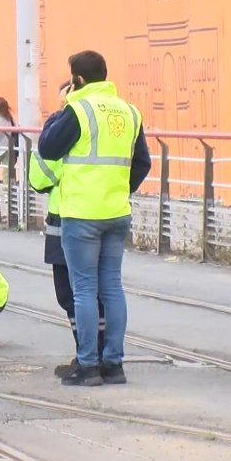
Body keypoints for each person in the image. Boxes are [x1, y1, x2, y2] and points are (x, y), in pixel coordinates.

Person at [38, 50, 151, 387]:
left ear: (78, 80)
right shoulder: (130, 112)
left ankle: (88, 366)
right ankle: (113, 365)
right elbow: (142, 161)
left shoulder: (78, 110)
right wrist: (119, 190)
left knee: (84, 289)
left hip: (82, 214)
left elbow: (47, 148)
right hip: (117, 213)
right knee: (112, 288)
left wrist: (63, 108)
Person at [28, 82, 107, 377]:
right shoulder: (103, 124)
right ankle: (104, 354)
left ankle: (87, 355)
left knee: (71, 293)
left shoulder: (64, 131)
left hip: (66, 219)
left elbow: (39, 177)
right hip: (104, 215)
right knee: (101, 290)